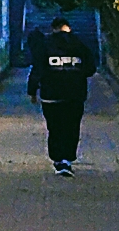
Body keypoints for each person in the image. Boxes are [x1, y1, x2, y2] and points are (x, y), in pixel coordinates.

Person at [26, 13, 102, 175]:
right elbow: (91, 69)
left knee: (54, 127)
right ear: (69, 28)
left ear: (53, 29)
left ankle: (58, 160)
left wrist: (32, 91)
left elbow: (37, 69)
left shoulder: (45, 44)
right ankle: (67, 159)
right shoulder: (80, 44)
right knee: (71, 127)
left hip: (51, 95)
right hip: (75, 95)